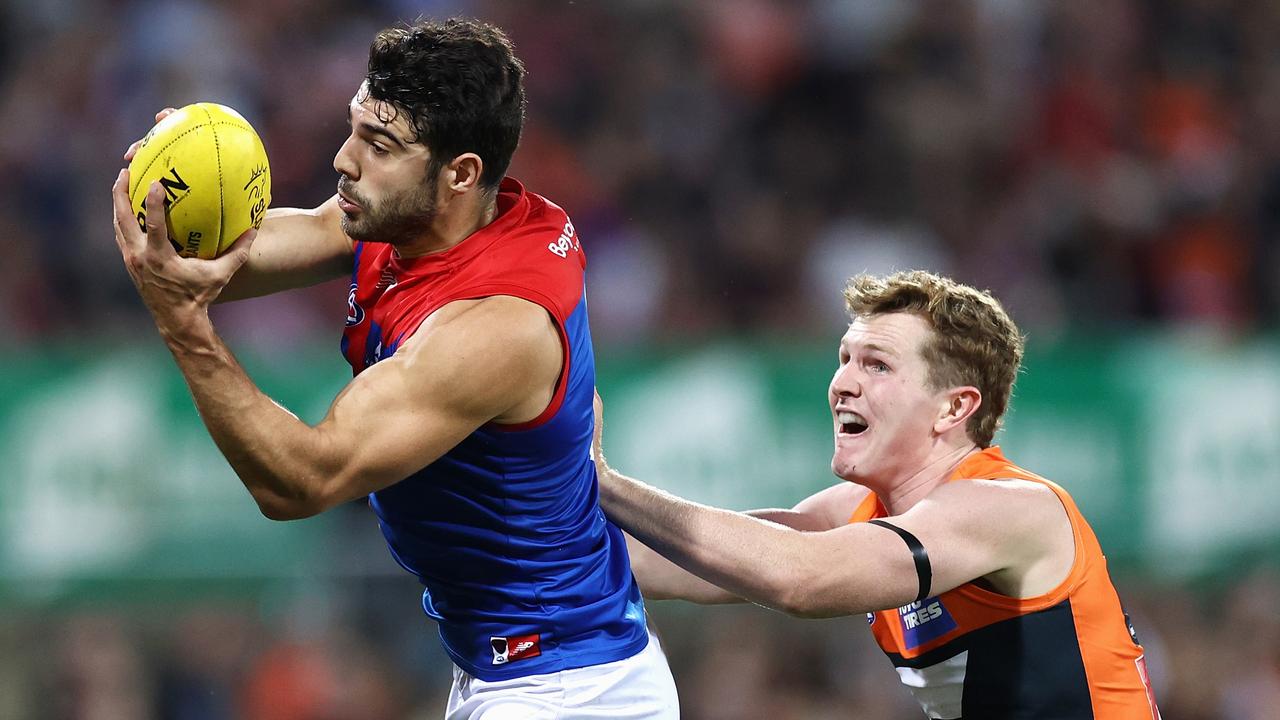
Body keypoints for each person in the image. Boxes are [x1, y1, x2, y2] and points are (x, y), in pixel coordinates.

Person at [111, 17, 677, 719]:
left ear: (460, 173)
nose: (345, 161)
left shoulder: (494, 326)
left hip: (570, 691)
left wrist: (182, 325)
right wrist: (173, 203)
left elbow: (303, 481)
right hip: (519, 671)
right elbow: (220, 262)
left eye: (380, 145)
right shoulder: (417, 219)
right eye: (355, 128)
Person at [592, 270, 1162, 719]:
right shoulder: (857, 511)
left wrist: (606, 482)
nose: (843, 383)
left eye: (877, 365)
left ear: (954, 408)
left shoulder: (1012, 508)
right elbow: (669, 562)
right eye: (844, 360)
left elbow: (800, 578)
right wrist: (530, 507)